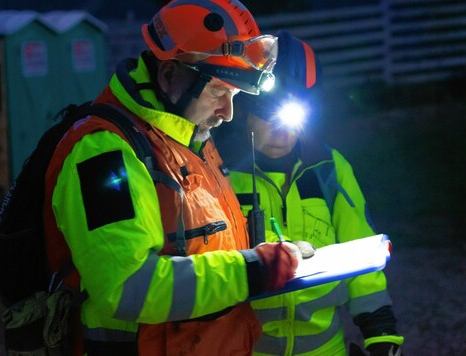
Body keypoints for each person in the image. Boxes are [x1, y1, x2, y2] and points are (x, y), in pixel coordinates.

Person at [41, 1, 300, 355]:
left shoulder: (190, 139)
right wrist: (252, 271)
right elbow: (127, 286)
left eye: (235, 95)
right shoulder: (102, 154)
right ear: (169, 75)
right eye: (218, 92)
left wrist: (273, 252)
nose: (228, 113)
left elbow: (207, 244)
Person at [213, 30, 405, 355]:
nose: (281, 131)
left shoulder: (329, 168)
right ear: (244, 107)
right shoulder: (219, 173)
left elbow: (360, 251)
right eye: (267, 114)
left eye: (292, 116)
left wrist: (381, 335)